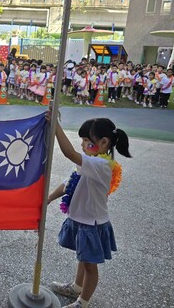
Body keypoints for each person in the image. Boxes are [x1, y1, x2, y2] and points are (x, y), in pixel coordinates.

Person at [46, 115, 131, 308]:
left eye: (87, 141)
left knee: (90, 266)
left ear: (103, 142)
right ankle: (77, 287)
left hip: (92, 223)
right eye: (82, 140)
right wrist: (49, 198)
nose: (83, 144)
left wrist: (55, 126)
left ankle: (82, 302)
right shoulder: (91, 162)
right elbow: (69, 184)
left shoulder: (101, 166)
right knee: (83, 258)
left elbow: (69, 152)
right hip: (81, 219)